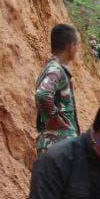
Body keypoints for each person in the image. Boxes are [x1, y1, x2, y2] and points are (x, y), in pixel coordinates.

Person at [34, 23, 82, 155]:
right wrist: (54, 118)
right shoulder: (56, 70)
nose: (77, 49)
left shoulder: (51, 68)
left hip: (55, 144)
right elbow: (43, 94)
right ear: (70, 46)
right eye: (77, 45)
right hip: (59, 144)